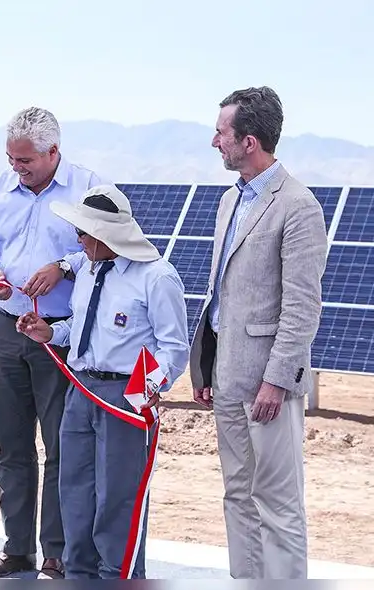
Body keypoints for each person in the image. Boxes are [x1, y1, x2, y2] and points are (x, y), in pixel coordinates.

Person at [16, 184, 190, 579]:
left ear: (107, 235)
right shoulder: (91, 268)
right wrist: (51, 333)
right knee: (74, 493)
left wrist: (143, 394)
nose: (77, 239)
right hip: (80, 391)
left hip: (125, 397)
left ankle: (119, 578)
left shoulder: (157, 277)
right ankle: (78, 577)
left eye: (84, 232)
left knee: (119, 499)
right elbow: (83, 325)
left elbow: (173, 349)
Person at [189, 86, 327, 579]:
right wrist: (205, 364)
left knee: (279, 506)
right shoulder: (230, 201)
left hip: (268, 384)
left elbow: (302, 305)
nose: (214, 142)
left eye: (221, 133)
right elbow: (222, 295)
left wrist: (277, 380)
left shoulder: (298, 206)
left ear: (249, 141)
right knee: (238, 496)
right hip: (227, 376)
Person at [0, 106, 106, 578]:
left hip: (61, 333)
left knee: (61, 446)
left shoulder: (89, 189)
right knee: (12, 445)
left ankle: (58, 551)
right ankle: (16, 548)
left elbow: (110, 251)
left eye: (25, 161)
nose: (16, 168)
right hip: (8, 327)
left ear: (53, 153)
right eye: (11, 158)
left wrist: (63, 266)